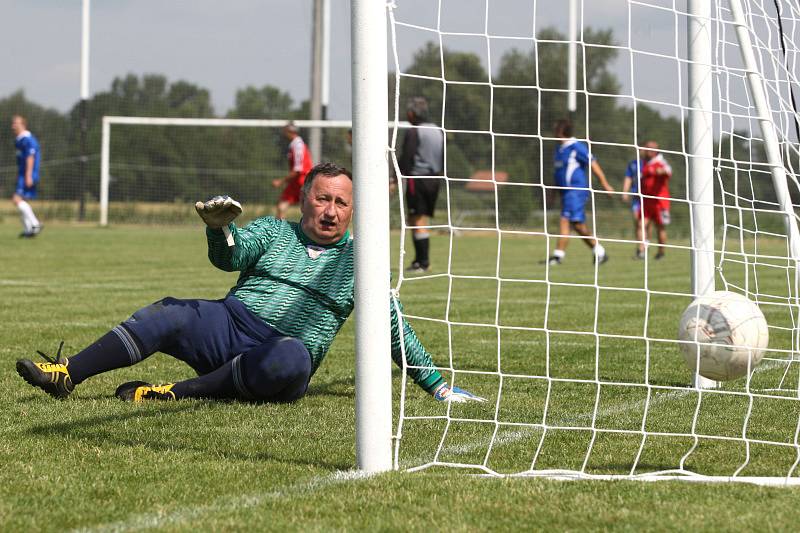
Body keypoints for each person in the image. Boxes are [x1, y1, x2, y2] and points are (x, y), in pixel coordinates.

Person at [16, 162, 484, 405]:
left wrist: (438, 387)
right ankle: (67, 373)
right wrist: (218, 228)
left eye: (341, 202)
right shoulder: (275, 230)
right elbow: (229, 257)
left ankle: (176, 392)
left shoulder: (362, 259)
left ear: (353, 208)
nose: (330, 211)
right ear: (304, 200)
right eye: (322, 199)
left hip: (278, 354)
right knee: (171, 311)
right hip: (229, 325)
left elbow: (391, 326)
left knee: (293, 357)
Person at [548, 119, 614, 265]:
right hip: (565, 193)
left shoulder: (577, 147)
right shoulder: (559, 150)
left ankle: (558, 256)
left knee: (566, 221)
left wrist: (605, 184)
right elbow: (558, 172)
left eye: (555, 131)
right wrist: (552, 192)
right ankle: (599, 252)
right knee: (576, 225)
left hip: (576, 191)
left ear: (561, 132)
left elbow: (594, 164)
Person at [398, 97, 444, 273]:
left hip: (417, 179)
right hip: (435, 179)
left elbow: (407, 157)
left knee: (417, 219)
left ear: (412, 113)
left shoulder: (414, 131)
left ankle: (422, 262)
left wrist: (396, 177)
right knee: (419, 218)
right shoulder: (438, 130)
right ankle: (420, 260)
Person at [637, 141, 672, 260]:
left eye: (651, 148)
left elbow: (668, 170)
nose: (648, 150)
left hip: (660, 202)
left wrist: (662, 171)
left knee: (660, 227)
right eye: (647, 148)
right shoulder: (645, 162)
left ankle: (661, 252)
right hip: (646, 201)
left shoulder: (660, 162)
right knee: (641, 224)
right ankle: (641, 251)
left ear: (656, 150)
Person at [271, 122, 313, 220]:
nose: (284, 133)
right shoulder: (294, 145)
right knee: (281, 205)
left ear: (290, 131)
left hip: (303, 181)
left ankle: (312, 231)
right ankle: (280, 232)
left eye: (285, 130)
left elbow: (298, 170)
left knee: (310, 208)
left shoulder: (298, 145)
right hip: (296, 182)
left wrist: (280, 181)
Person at [11, 115, 43, 238]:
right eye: (13, 123)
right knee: (21, 202)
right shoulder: (19, 140)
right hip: (23, 174)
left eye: (15, 123)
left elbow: (30, 157)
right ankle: (29, 230)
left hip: (27, 174)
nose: (13, 126)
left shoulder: (28, 139)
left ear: (23, 125)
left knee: (17, 199)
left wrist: (28, 175)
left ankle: (34, 224)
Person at [621, 154, 650, 259]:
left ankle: (644, 247)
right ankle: (642, 248)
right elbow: (628, 177)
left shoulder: (651, 163)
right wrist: (625, 191)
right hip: (636, 198)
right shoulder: (633, 164)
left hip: (649, 198)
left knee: (644, 225)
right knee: (639, 223)